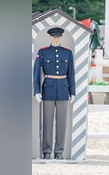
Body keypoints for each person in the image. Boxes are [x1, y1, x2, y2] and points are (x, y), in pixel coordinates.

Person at [33, 27, 76, 160]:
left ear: (61, 37)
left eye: (58, 37)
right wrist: (37, 91)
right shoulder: (43, 52)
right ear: (50, 38)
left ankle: (59, 151)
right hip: (48, 89)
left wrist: (72, 92)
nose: (56, 38)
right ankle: (46, 151)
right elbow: (36, 75)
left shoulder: (67, 53)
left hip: (63, 89)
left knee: (61, 122)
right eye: (54, 37)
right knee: (47, 122)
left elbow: (71, 74)